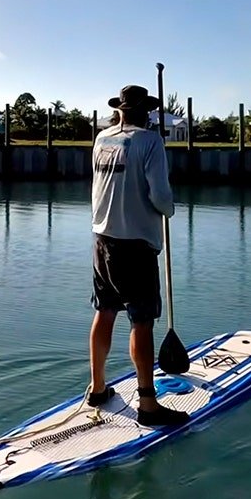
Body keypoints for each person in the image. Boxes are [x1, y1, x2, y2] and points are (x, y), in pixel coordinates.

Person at [86, 84, 189, 426]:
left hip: (102, 239)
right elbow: (159, 195)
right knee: (141, 322)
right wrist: (169, 208)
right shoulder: (150, 141)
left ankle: (98, 388)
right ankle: (148, 405)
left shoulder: (102, 140)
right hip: (135, 244)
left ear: (119, 110)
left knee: (104, 311)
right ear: (146, 111)